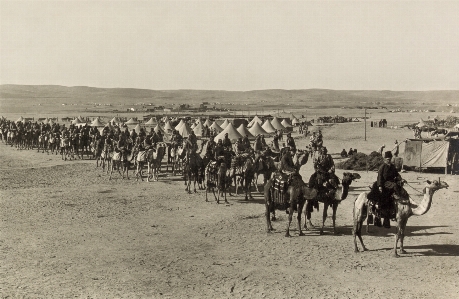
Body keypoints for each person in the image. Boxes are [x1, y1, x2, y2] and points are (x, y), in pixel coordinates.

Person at [377, 151, 404, 228]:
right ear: (385, 159)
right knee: (395, 185)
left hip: (391, 182)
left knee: (399, 185)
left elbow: (397, 174)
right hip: (385, 183)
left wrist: (401, 179)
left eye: (390, 159)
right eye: (387, 159)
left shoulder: (392, 167)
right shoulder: (382, 167)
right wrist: (379, 186)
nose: (389, 160)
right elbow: (379, 177)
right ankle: (395, 194)